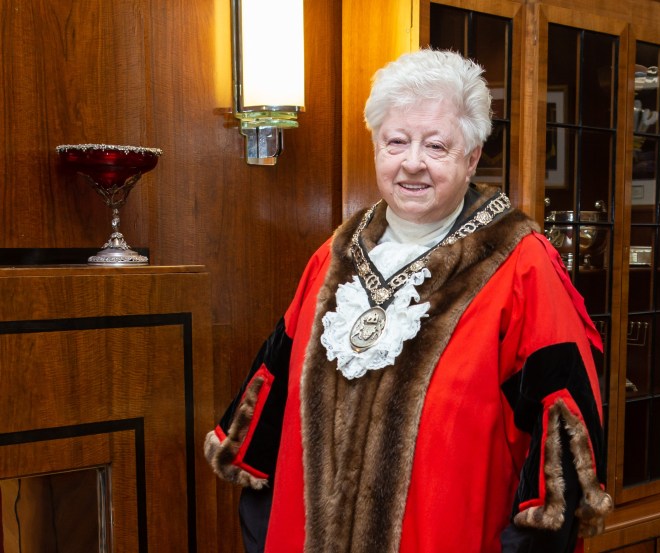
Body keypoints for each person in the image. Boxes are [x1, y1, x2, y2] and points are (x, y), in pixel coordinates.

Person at [205, 48, 612, 553]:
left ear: (472, 156)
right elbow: (267, 423)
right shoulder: (331, 261)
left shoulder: (523, 268)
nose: (412, 163)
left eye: (436, 146)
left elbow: (561, 446)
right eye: (396, 141)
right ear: (376, 146)